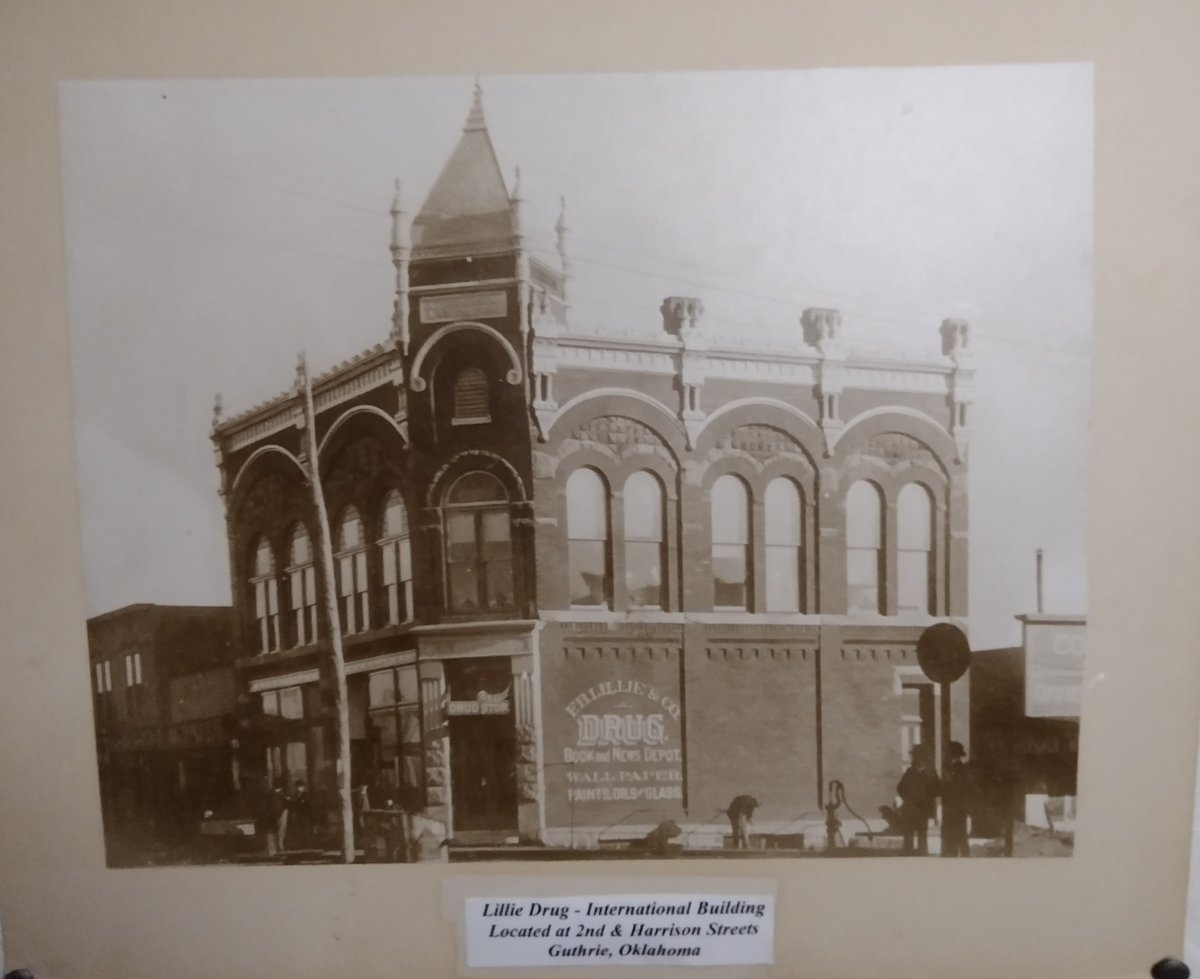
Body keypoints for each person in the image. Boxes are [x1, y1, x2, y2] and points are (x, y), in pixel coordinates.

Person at [897, 745, 940, 855]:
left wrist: (927, 798)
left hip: (922, 809)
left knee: (922, 834)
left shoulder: (930, 773)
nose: (914, 758)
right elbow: (900, 788)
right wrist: (908, 798)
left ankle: (922, 853)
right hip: (911, 809)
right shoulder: (910, 772)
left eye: (916, 756)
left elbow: (937, 790)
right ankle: (908, 853)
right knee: (908, 834)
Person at [940, 741, 972, 857]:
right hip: (953, 806)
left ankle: (955, 855)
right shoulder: (952, 768)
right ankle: (953, 854)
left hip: (956, 806)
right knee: (955, 833)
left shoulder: (959, 770)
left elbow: (960, 788)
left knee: (957, 833)